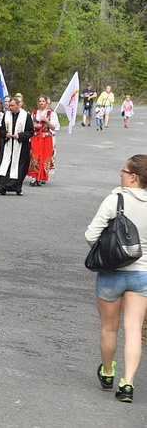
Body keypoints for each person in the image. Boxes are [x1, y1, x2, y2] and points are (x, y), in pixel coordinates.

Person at [85, 155, 147, 403]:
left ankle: (108, 372)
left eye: (123, 171)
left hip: (112, 272)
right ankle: (128, 384)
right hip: (142, 274)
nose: (119, 174)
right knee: (133, 329)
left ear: (133, 177)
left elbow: (91, 235)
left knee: (109, 327)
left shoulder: (115, 199)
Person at [0, 95, 33, 196]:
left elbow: (30, 131)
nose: (9, 107)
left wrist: (19, 136)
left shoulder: (26, 116)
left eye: (12, 105)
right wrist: (6, 134)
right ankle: (2, 185)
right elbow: (1, 130)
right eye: (9, 105)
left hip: (20, 146)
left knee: (19, 167)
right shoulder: (6, 115)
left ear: (18, 105)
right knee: (5, 165)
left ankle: (16, 187)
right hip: (8, 145)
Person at [27, 95, 60, 187]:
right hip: (36, 138)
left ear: (46, 103)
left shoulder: (51, 114)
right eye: (40, 101)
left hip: (46, 138)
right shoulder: (34, 113)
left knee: (44, 157)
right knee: (35, 156)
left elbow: (54, 127)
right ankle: (34, 176)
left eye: (43, 101)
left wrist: (46, 121)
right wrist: (35, 126)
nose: (41, 103)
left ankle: (40, 177)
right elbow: (29, 125)